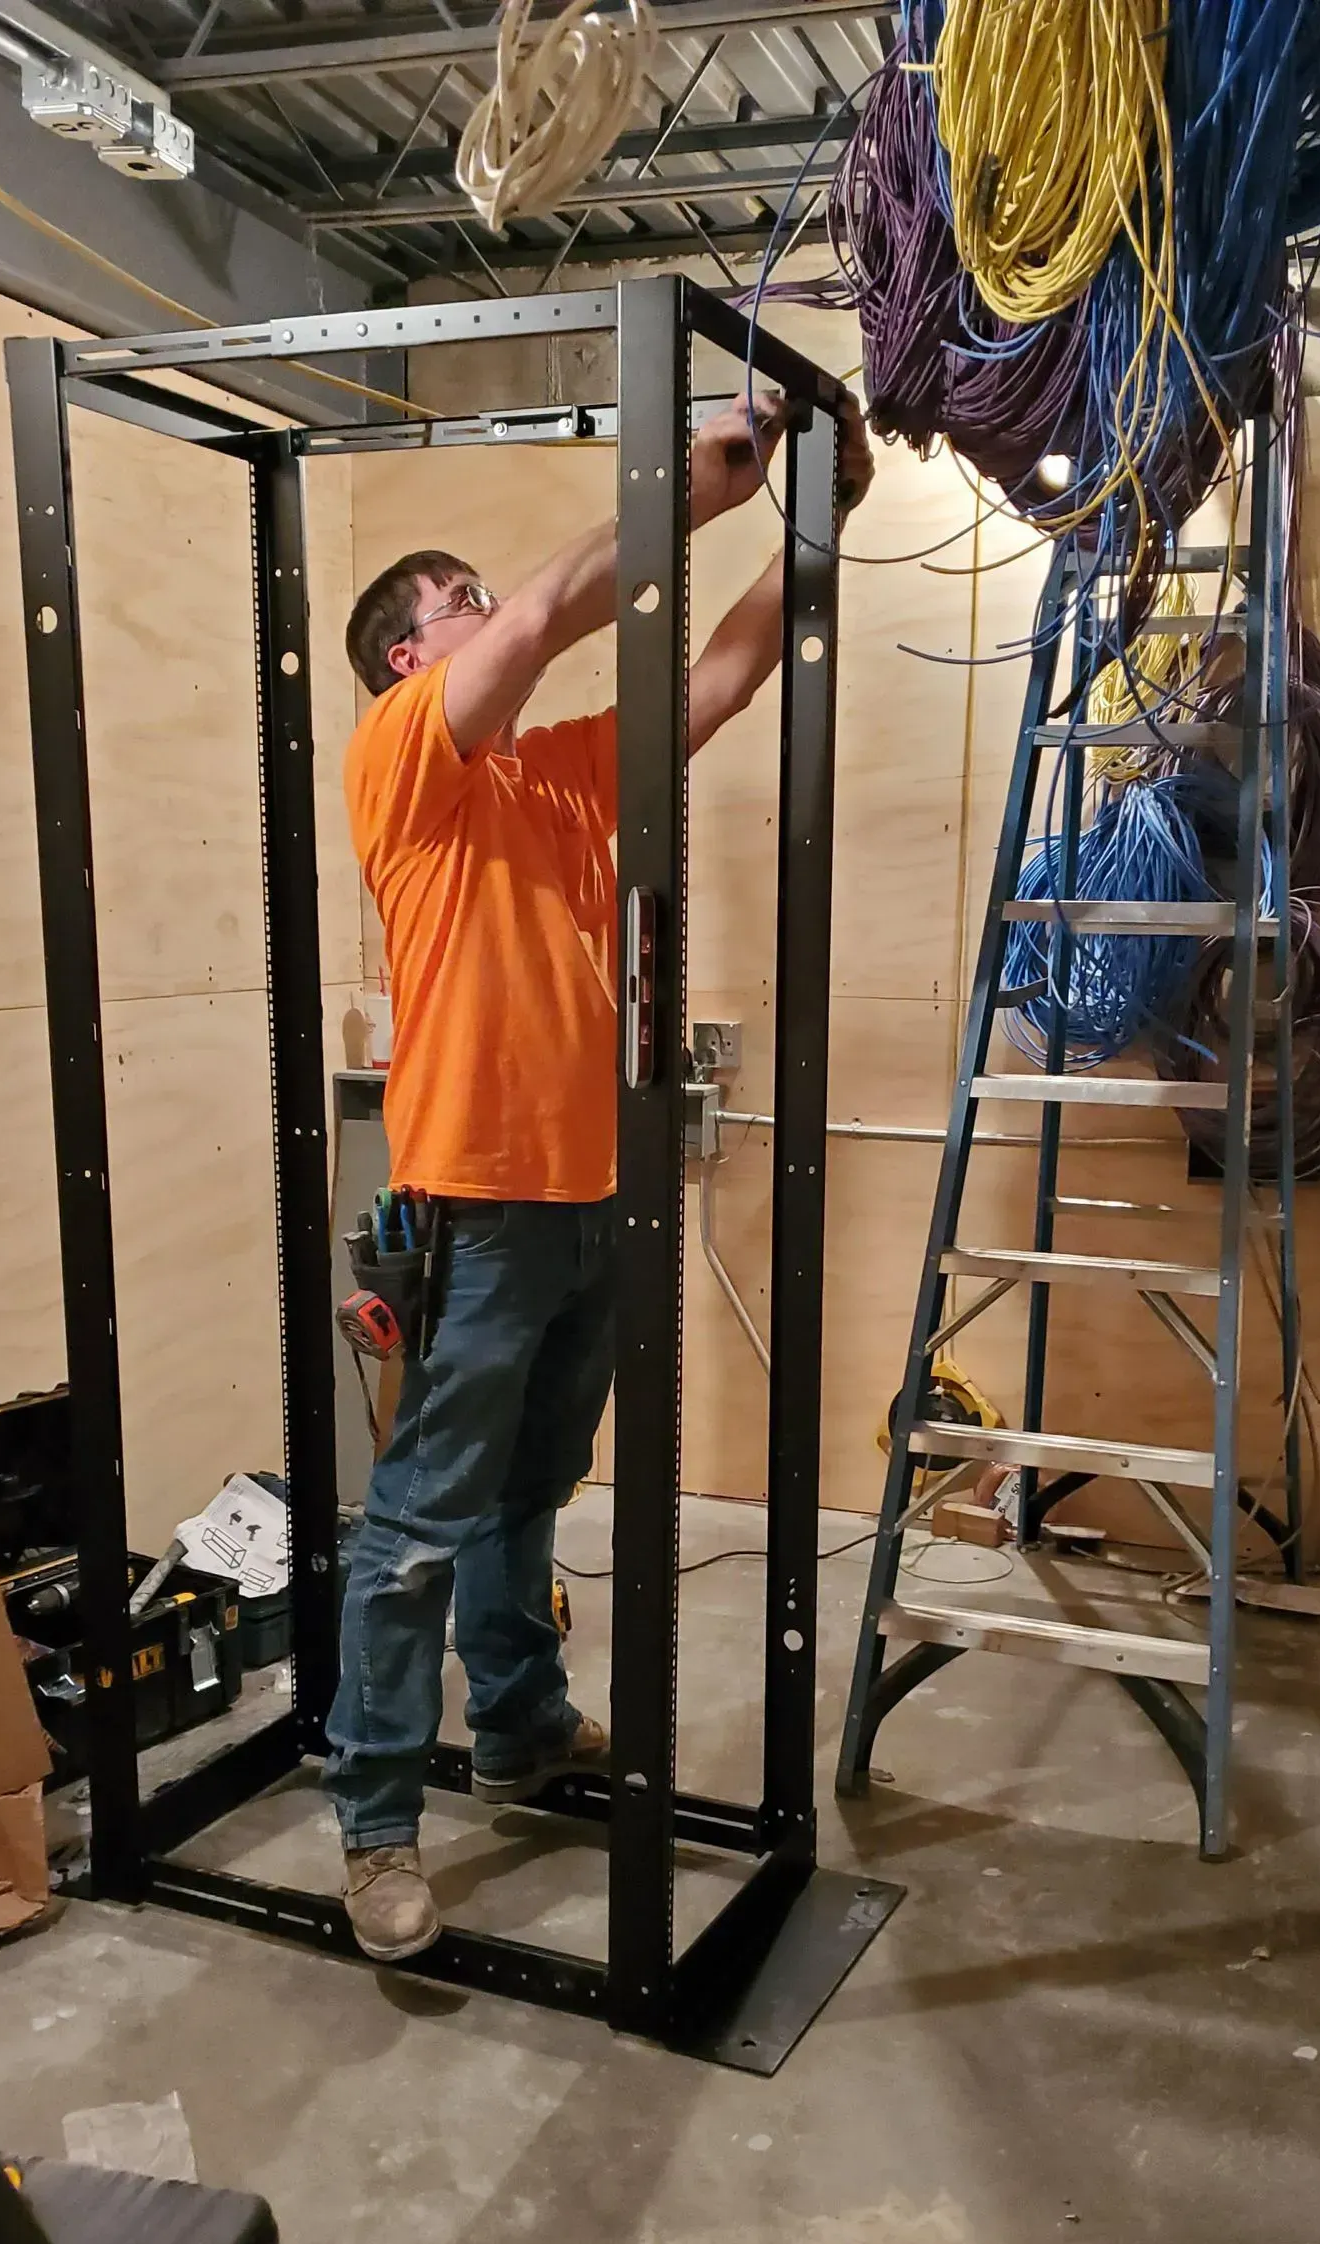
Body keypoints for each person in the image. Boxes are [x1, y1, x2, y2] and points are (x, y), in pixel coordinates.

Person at [328, 385, 874, 1961]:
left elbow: (722, 674)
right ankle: (375, 1826)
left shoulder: (558, 781)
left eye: (479, 597)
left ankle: (513, 1724)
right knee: (424, 1516)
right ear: (409, 662)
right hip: (478, 1203)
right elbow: (569, 603)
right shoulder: (402, 762)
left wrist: (820, 508)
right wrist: (686, 488)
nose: (489, 612)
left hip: (588, 1201)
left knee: (530, 1495)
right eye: (457, 608)